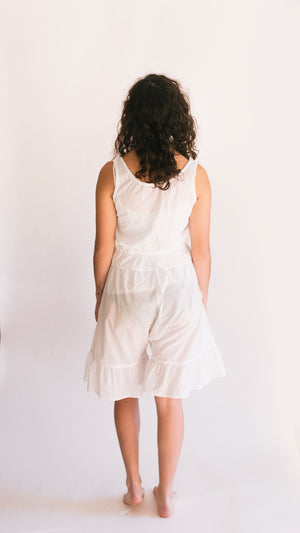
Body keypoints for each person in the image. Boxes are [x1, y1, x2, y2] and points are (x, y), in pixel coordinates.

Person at [83, 73, 226, 518]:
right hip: (177, 287)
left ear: (133, 118)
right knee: (170, 399)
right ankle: (166, 494)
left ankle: (134, 486)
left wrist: (100, 294)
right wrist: (198, 300)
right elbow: (201, 251)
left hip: (126, 285)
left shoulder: (112, 173)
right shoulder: (197, 175)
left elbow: (104, 246)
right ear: (177, 117)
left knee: (126, 392)